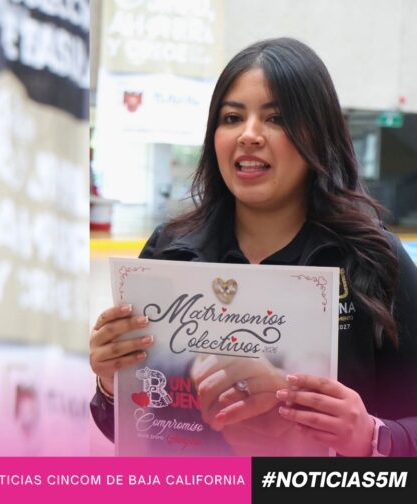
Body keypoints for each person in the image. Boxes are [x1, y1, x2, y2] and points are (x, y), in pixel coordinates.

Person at [89, 38, 417, 456]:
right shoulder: (169, 253)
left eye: (276, 118)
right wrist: (111, 381)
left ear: (318, 135)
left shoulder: (373, 261)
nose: (248, 135)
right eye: (232, 117)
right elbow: (137, 431)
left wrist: (371, 436)